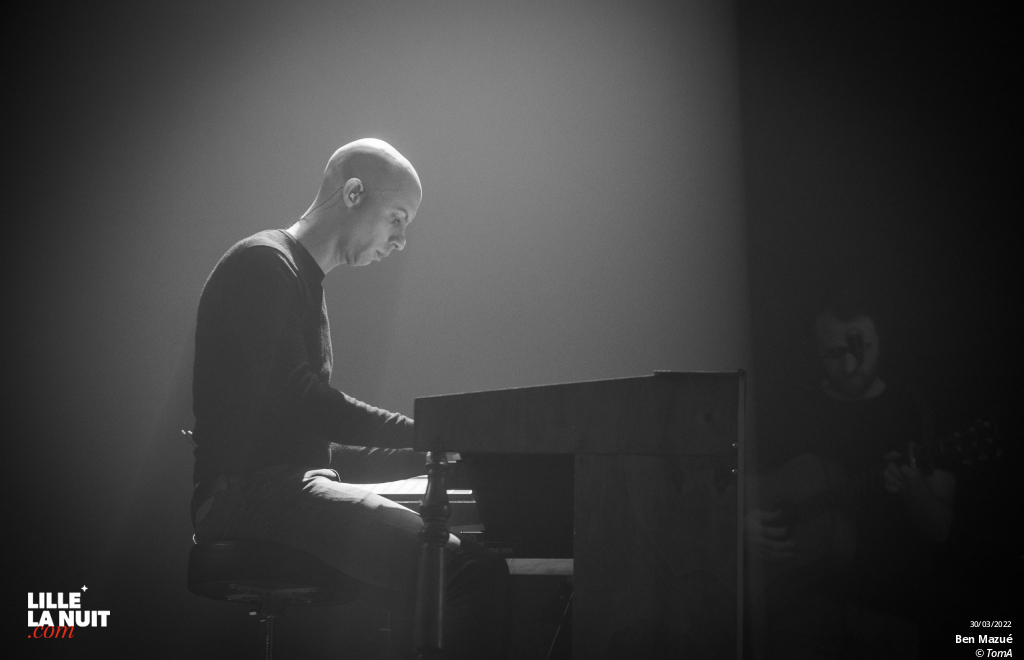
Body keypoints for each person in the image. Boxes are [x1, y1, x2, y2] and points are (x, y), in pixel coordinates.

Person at [189, 138, 509, 659]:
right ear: (354, 193)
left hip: (276, 487)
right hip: (244, 498)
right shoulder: (264, 266)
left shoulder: (300, 282)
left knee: (442, 564)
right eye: (398, 218)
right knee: (474, 571)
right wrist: (428, 431)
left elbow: (310, 441)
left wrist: (431, 455)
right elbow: (306, 402)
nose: (402, 239)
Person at [746, 294, 955, 659]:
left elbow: (940, 528)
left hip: (892, 617)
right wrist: (744, 525)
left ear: (881, 340)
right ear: (815, 351)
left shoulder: (912, 410)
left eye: (860, 347)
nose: (848, 364)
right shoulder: (795, 411)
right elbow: (742, 485)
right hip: (799, 611)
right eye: (832, 353)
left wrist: (913, 488)